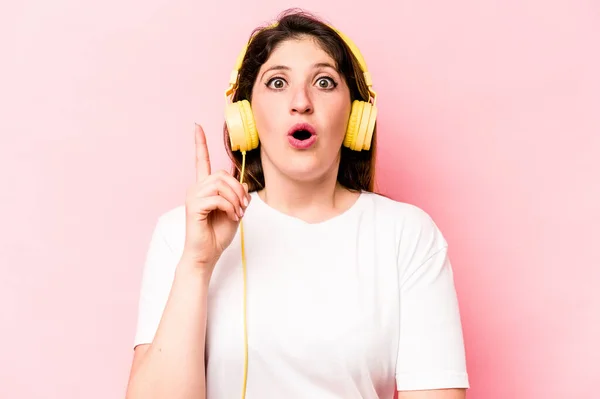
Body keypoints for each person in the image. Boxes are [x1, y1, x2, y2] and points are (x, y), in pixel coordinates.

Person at [125, 8, 470, 399]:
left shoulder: (407, 235)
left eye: (324, 82)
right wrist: (197, 264)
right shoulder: (183, 234)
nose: (301, 102)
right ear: (246, 117)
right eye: (276, 83)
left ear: (357, 116)